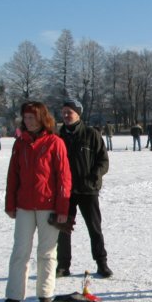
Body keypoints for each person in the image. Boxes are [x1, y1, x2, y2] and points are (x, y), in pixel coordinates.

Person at [0, 101, 72, 302]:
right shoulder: (19, 144)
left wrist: (62, 208)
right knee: (20, 251)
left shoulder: (54, 143)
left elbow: (64, 178)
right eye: (26, 118)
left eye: (32, 118)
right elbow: (13, 176)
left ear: (42, 119)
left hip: (48, 206)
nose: (28, 122)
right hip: (24, 206)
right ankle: (14, 297)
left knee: (47, 252)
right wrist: (10, 203)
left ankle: (45, 294)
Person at [56, 99, 112, 279]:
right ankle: (63, 266)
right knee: (63, 229)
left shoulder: (91, 134)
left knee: (94, 228)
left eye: (69, 112)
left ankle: (102, 263)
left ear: (78, 113)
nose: (65, 115)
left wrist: (95, 175)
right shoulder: (58, 136)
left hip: (88, 189)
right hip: (66, 191)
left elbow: (103, 160)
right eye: (64, 112)